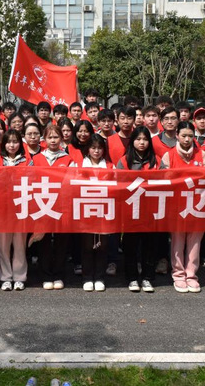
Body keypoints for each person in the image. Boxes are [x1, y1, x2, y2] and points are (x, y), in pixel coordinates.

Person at [161, 121, 205, 293]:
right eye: (183, 135)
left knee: (195, 242)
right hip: (176, 205)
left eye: (190, 136)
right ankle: (178, 274)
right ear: (177, 135)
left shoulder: (202, 155)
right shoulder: (168, 155)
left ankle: (191, 275)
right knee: (177, 241)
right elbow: (163, 179)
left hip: (198, 205)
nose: (187, 139)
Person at [117, 126, 162, 293]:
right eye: (138, 139)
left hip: (152, 210)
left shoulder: (157, 161)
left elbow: (166, 181)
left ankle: (148, 278)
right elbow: (118, 185)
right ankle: (132, 278)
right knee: (130, 246)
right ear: (132, 141)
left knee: (150, 246)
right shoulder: (124, 161)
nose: (142, 143)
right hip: (131, 210)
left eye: (145, 139)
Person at [31, 124, 72, 290]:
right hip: (42, 204)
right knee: (44, 241)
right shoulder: (36, 159)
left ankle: (59, 275)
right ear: (44, 139)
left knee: (62, 242)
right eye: (50, 137)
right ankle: (46, 275)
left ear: (61, 139)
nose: (53, 140)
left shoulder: (68, 159)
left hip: (62, 205)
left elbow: (72, 182)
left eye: (56, 137)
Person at [0, 130, 30, 292]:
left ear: (20, 144)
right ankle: (6, 278)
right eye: (8, 142)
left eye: (15, 141)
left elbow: (32, 181)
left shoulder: (27, 161)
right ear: (4, 144)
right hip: (2, 208)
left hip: (21, 207)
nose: (12, 145)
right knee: (3, 245)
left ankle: (20, 277)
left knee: (20, 244)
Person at [79, 134, 111, 292]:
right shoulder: (80, 165)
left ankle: (99, 277)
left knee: (102, 245)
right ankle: (87, 277)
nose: (96, 151)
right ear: (88, 149)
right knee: (87, 245)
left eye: (99, 148)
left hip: (104, 209)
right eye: (93, 148)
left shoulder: (110, 166)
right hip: (85, 208)